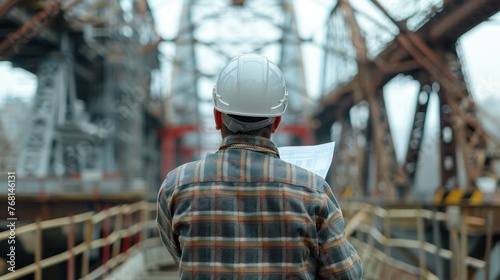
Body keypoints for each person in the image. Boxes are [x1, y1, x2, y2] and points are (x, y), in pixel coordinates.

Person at [156, 53, 363, 279]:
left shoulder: (176, 186)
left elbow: (179, 252)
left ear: (217, 118)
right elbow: (346, 275)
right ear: (276, 122)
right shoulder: (314, 191)